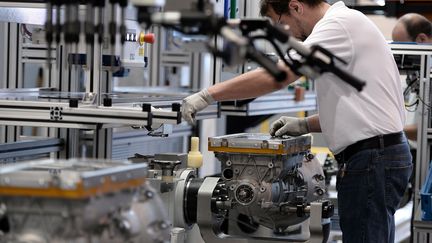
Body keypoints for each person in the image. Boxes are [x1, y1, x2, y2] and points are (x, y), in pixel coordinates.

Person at [181, 1, 412, 242]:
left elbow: (278, 75)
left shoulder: (336, 25)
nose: (286, 33)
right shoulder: (346, 23)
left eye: (281, 24)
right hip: (379, 155)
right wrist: (304, 125)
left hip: (372, 159)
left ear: (296, 7)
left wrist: (208, 95)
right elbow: (361, 111)